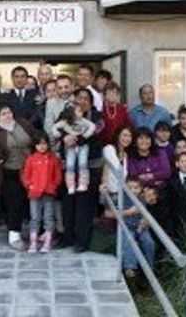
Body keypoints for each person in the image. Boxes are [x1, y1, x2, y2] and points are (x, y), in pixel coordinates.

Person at [0, 104, 38, 250]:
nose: (8, 115)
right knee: (14, 201)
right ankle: (14, 235)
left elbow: (36, 136)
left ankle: (37, 232)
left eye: (9, 112)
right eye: (3, 113)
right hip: (9, 170)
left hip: (30, 168)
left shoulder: (22, 123)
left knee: (32, 198)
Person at [61, 88, 104, 252]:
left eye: (86, 98)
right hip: (70, 167)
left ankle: (82, 241)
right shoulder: (67, 114)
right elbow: (57, 129)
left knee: (84, 205)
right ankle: (67, 238)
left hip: (89, 166)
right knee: (68, 202)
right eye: (79, 98)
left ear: (91, 102)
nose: (83, 101)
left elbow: (96, 132)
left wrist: (75, 138)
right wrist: (64, 136)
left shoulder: (98, 117)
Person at [21, 134, 62, 253]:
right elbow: (25, 175)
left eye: (44, 143)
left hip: (49, 192)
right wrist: (29, 185)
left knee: (48, 217)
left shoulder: (53, 158)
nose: (42, 146)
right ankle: (33, 243)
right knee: (34, 218)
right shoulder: (31, 159)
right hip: (34, 193)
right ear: (35, 146)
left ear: (48, 144)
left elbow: (58, 175)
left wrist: (54, 185)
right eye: (39, 144)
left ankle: (47, 243)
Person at [52, 105, 96, 194]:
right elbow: (54, 127)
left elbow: (92, 126)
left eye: (81, 111)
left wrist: (85, 136)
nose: (81, 113)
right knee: (70, 165)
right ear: (72, 113)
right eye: (78, 111)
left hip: (82, 145)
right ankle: (70, 185)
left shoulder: (84, 121)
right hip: (70, 146)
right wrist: (57, 134)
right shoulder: (65, 122)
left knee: (83, 164)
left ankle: (83, 184)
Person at [117, 177, 155, 279]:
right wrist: (128, 212)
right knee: (129, 240)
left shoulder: (142, 199)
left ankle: (149, 269)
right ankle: (130, 267)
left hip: (140, 226)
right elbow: (114, 213)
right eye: (130, 188)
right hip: (127, 225)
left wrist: (144, 222)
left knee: (149, 242)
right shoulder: (122, 198)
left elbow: (146, 215)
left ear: (141, 189)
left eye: (136, 188)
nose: (133, 190)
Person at [101, 126, 134, 202]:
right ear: (118, 136)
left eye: (130, 136)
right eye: (124, 135)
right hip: (109, 193)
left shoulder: (125, 155)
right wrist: (104, 184)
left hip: (120, 194)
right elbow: (106, 168)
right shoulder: (109, 149)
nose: (127, 139)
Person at [167, 152, 186, 241]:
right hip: (178, 221)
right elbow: (168, 205)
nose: (185, 163)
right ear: (177, 164)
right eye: (182, 161)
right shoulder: (171, 182)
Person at [44, 75, 74, 144]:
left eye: (66, 87)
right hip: (57, 143)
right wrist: (62, 138)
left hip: (77, 142)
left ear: (72, 87)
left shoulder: (78, 100)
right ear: (56, 89)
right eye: (60, 88)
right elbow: (48, 127)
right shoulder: (51, 103)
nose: (63, 90)